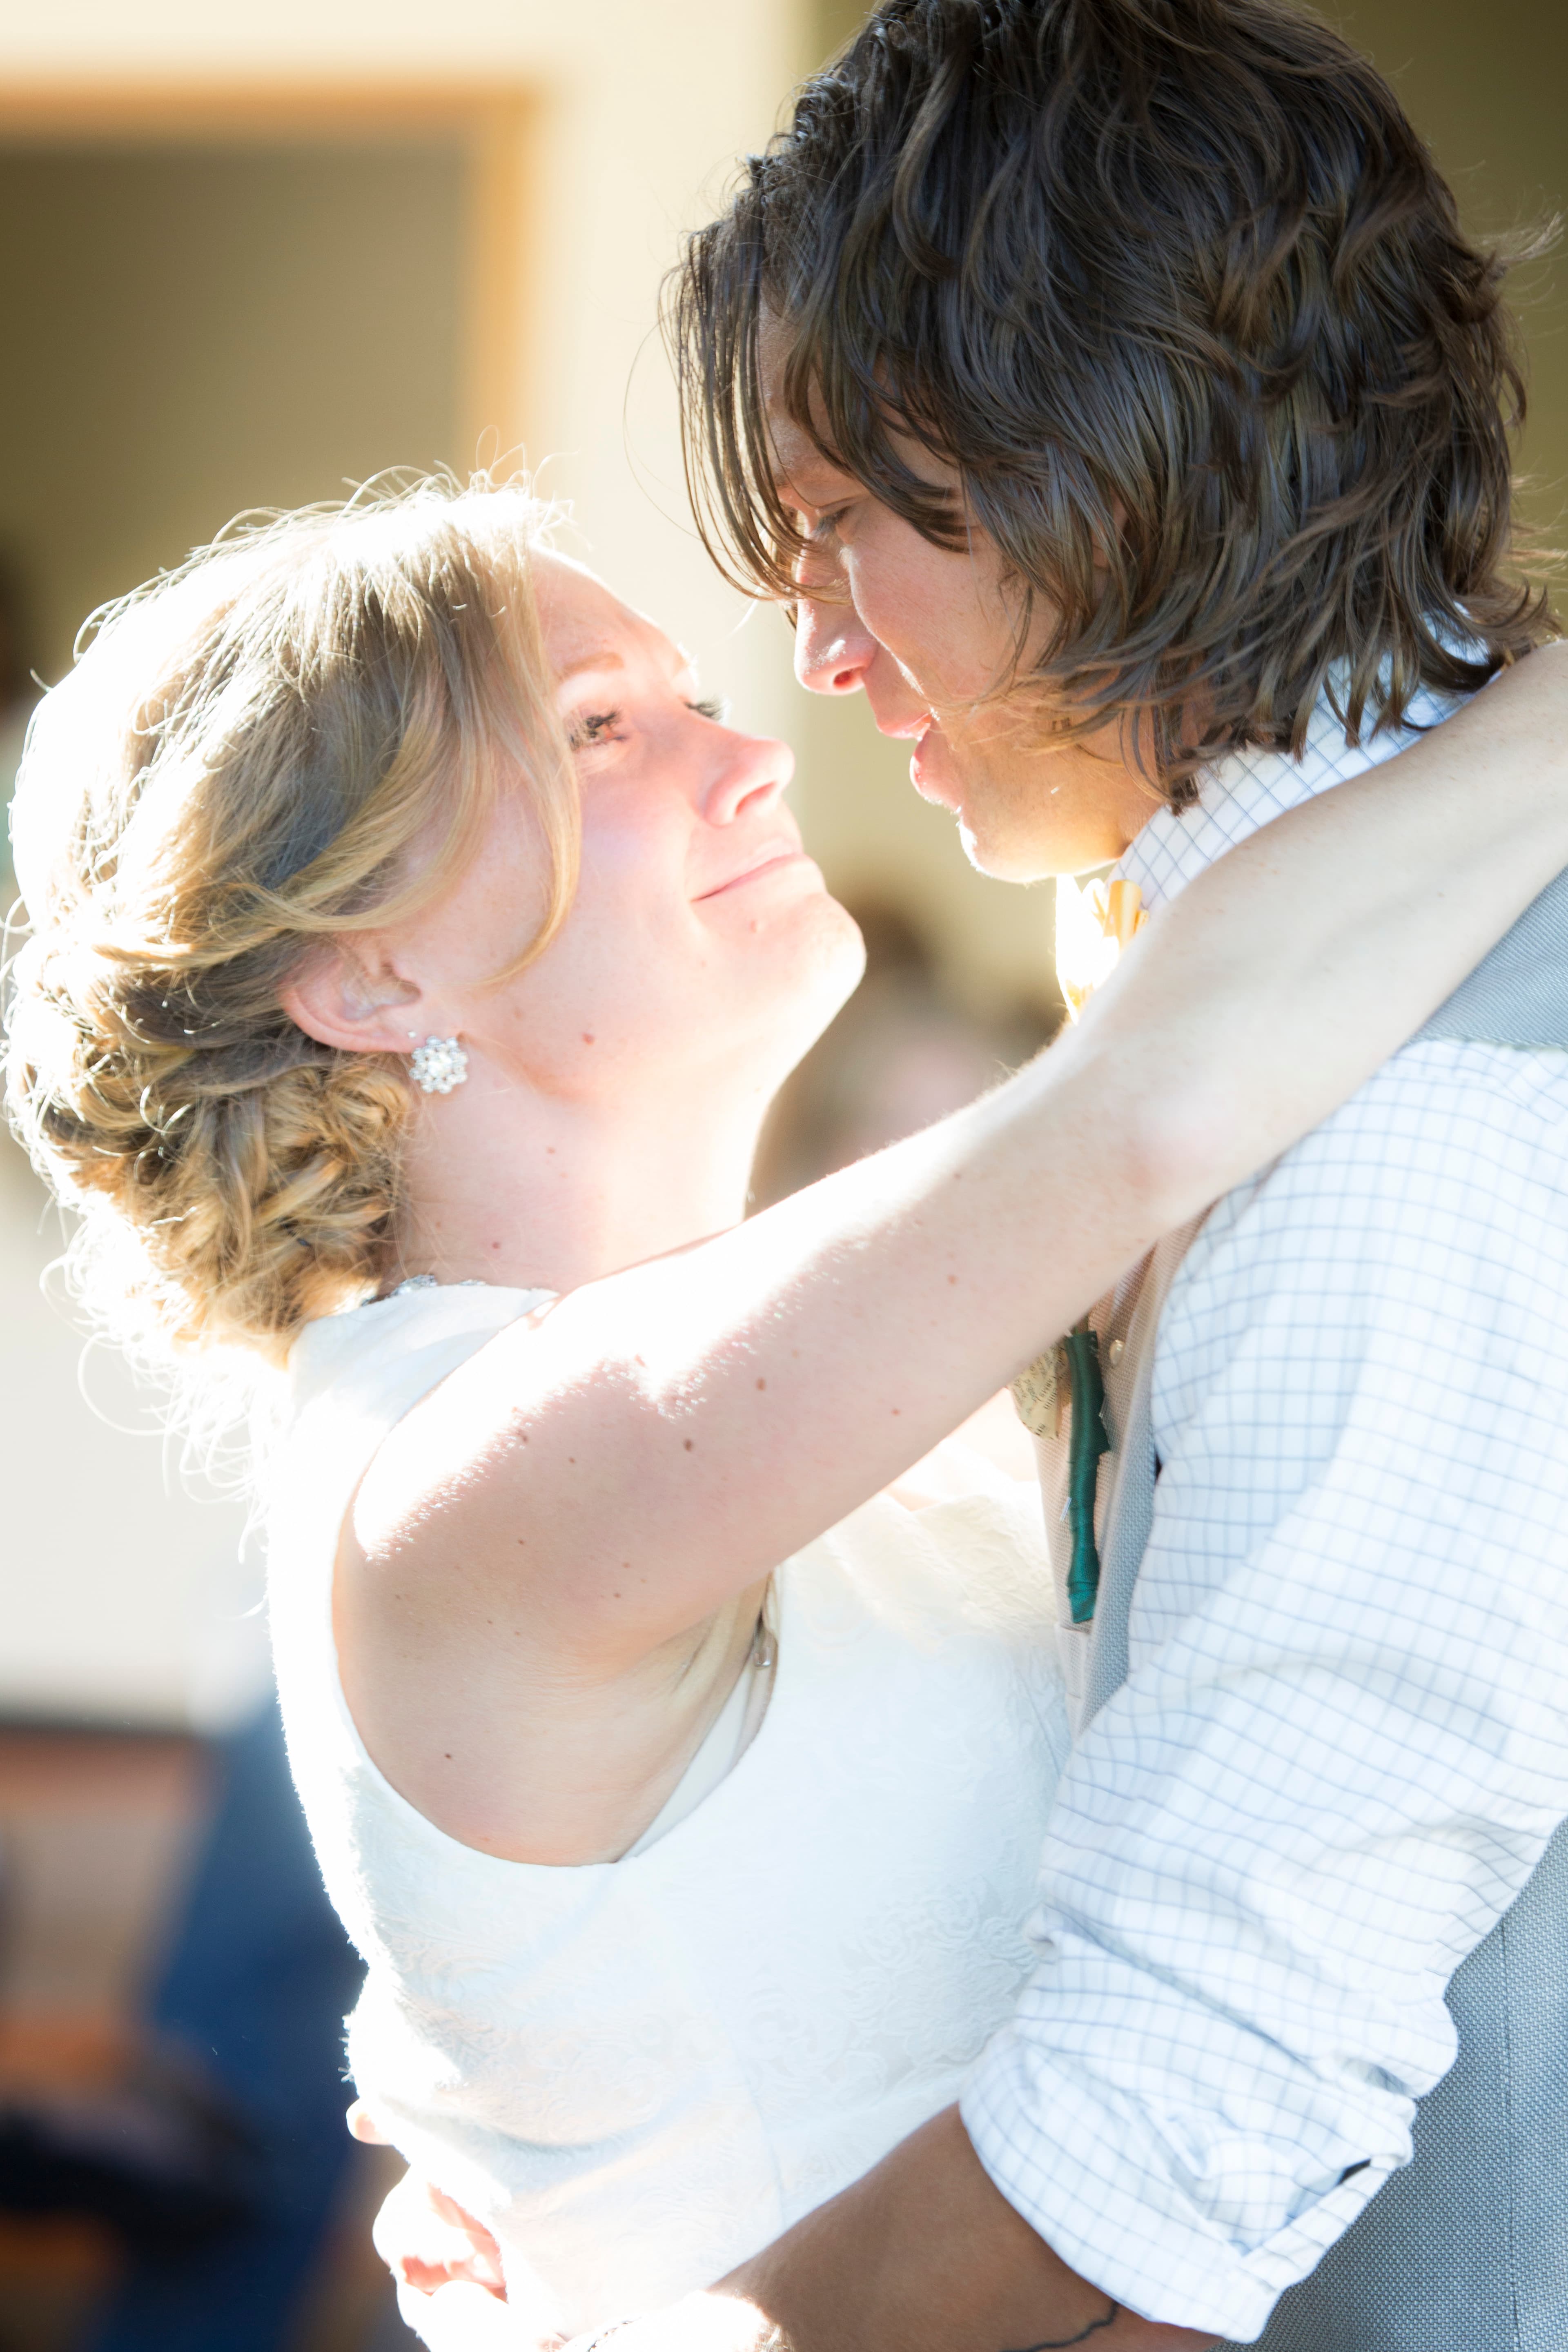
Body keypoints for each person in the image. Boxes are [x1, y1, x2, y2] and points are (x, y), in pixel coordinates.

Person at [7, 465, 1566, 2352]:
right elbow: (1160, 1096)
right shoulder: (458, 1478)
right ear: (368, 963)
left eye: (688, 694)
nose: (746, 753)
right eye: (600, 731)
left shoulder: (786, 1414)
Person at [381, 2, 1568, 2347]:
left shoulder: (1419, 1111)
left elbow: (1166, 2126)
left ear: (1095, 461)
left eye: (837, 525)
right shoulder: (1233, 988)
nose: (804, 660)